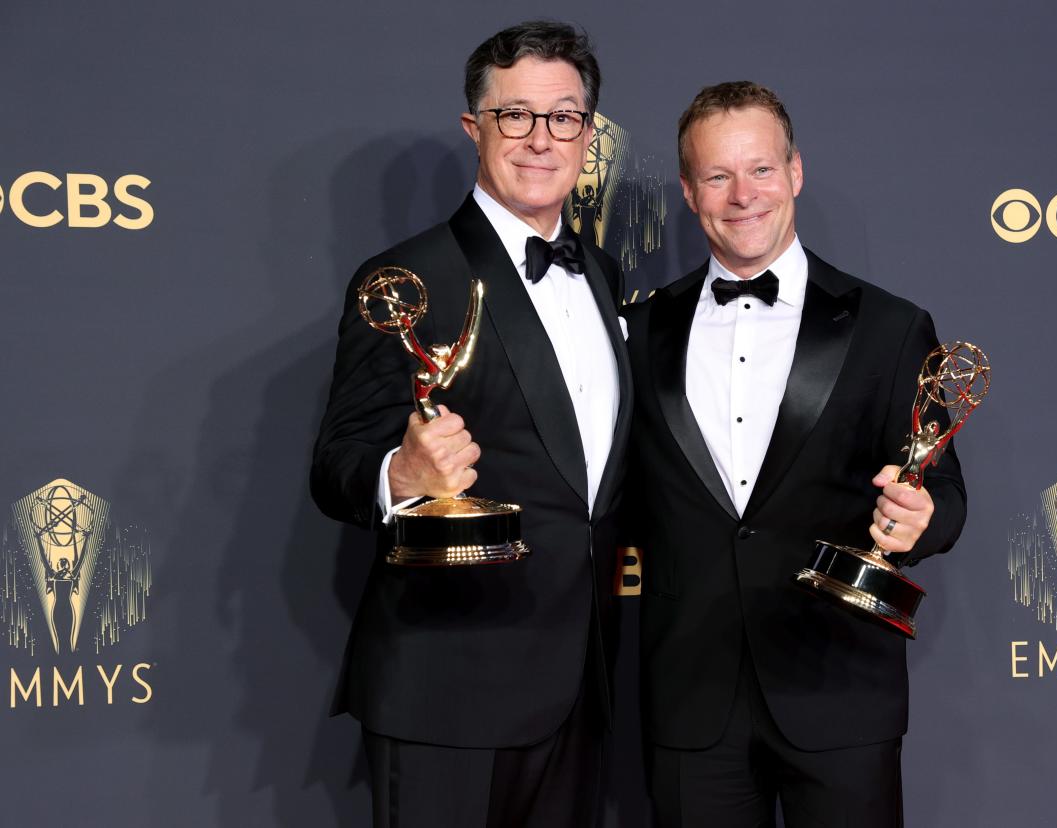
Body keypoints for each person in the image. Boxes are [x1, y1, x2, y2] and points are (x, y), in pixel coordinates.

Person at [310, 21, 632, 828]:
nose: (539, 138)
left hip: (581, 685)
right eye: (514, 115)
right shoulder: (405, 278)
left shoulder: (602, 273)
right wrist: (402, 477)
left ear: (587, 135)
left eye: (563, 117)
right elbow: (336, 462)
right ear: (474, 128)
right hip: (449, 686)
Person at [622, 82, 967, 827]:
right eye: (717, 176)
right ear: (688, 191)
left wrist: (920, 520)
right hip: (688, 698)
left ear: (796, 172)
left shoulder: (890, 327)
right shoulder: (637, 332)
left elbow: (945, 496)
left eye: (761, 170)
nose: (742, 195)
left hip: (838, 687)